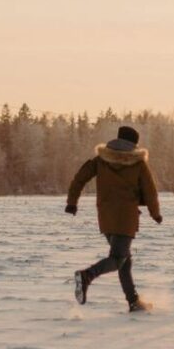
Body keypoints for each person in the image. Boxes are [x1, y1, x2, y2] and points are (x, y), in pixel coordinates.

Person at [66, 126, 161, 312]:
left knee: (125, 261)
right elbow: (150, 191)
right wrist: (155, 213)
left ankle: (133, 301)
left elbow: (79, 179)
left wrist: (72, 203)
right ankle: (87, 276)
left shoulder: (101, 160)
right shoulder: (138, 163)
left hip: (106, 215)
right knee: (118, 259)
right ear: (134, 143)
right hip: (126, 217)